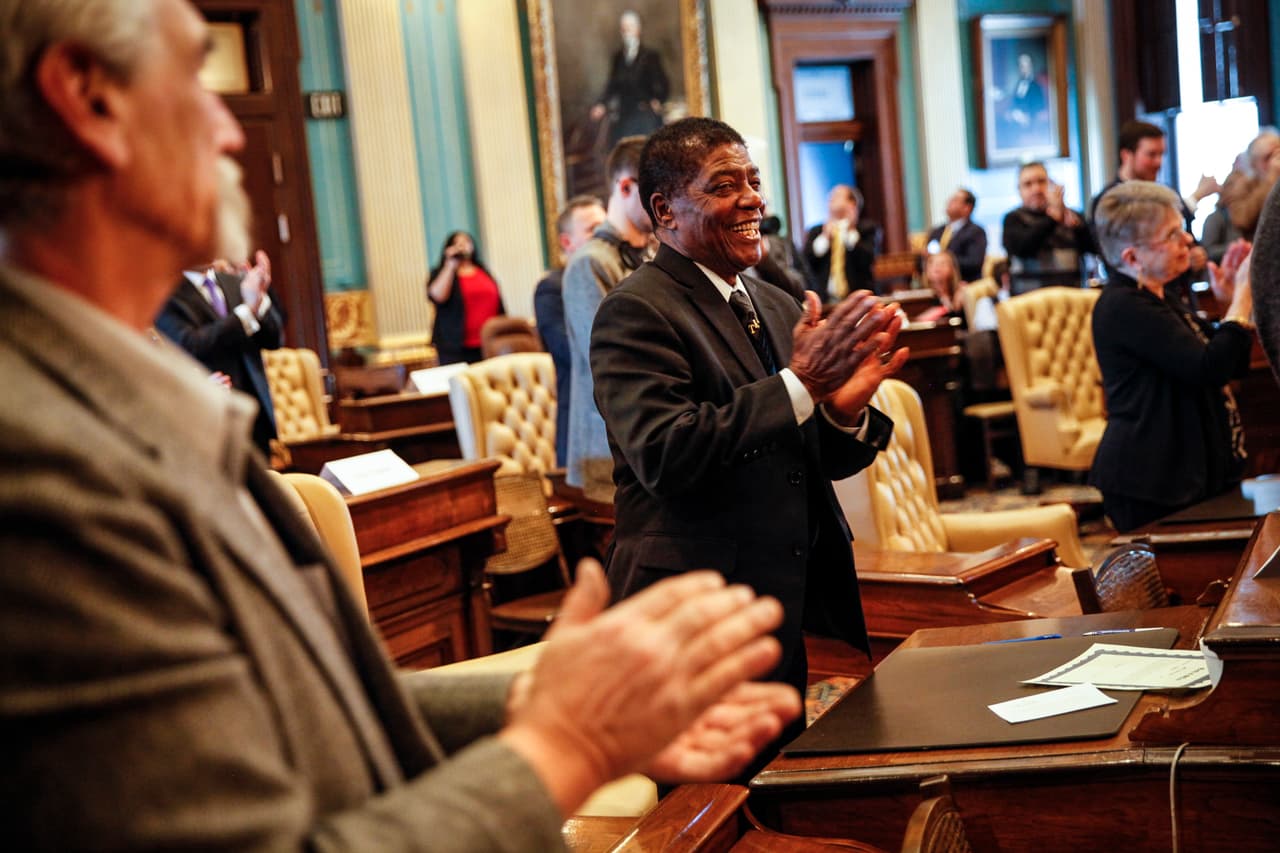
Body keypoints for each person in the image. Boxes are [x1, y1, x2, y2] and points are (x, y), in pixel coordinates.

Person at [0, 2, 804, 847]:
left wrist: (538, 695)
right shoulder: (39, 466)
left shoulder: (119, 391)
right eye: (193, 81)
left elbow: (303, 697)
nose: (227, 131)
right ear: (87, 100)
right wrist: (562, 746)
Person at [590, 117, 909, 776]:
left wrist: (842, 414)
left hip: (778, 605)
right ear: (665, 211)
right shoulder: (637, 311)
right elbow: (665, 452)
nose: (753, 200)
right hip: (691, 616)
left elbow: (799, 455)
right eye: (724, 186)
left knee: (777, 786)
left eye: (755, 183)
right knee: (713, 809)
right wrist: (801, 385)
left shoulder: (774, 297)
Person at [1090, 182, 1254, 533]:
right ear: (1132, 258)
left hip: (1181, 469)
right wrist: (1243, 296)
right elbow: (1206, 368)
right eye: (1172, 234)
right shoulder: (1124, 305)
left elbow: (1230, 365)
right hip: (1151, 478)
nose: (1188, 241)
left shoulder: (1160, 295)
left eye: (1183, 228)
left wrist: (1227, 305)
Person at [563, 136, 654, 501]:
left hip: (646, 437)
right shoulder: (590, 262)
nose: (665, 204)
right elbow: (610, 362)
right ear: (626, 187)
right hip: (608, 448)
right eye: (655, 192)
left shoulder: (650, 254)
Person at [156, 247, 282, 457]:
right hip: (210, 416)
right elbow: (191, 344)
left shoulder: (234, 282)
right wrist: (247, 311)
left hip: (255, 414)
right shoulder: (166, 292)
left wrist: (261, 299)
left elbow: (273, 339)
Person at [1088, 120, 1211, 287]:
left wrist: (1195, 257)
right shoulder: (1109, 202)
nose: (1159, 162)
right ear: (1126, 155)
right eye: (1151, 155)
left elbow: (1189, 243)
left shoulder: (1166, 196)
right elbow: (1113, 260)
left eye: (1161, 154)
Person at [533, 194, 607, 465]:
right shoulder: (551, 288)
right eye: (592, 230)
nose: (603, 237)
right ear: (567, 242)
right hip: (583, 422)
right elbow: (572, 351)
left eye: (605, 227)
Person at [1002, 161, 1094, 293]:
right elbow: (1023, 249)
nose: (1036, 189)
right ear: (1019, 190)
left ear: (1051, 184)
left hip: (1071, 301)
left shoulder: (1073, 216)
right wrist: (1052, 219)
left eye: (1041, 182)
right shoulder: (1013, 219)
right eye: (1028, 184)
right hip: (1027, 304)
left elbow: (1094, 249)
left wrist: (1078, 228)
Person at [589, 10, 669, 149]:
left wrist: (658, 100)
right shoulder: (618, 57)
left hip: (645, 114)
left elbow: (663, 84)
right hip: (625, 115)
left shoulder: (650, 56)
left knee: (647, 151)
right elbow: (612, 85)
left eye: (629, 28)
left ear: (638, 30)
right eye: (624, 29)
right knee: (620, 151)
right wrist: (601, 104)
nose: (626, 33)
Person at [426, 230, 504, 364]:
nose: (462, 246)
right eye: (457, 243)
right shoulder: (442, 272)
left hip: (488, 343)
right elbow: (437, 296)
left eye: (466, 242)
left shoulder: (483, 271)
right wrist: (450, 265)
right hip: (456, 348)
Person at [802, 184, 879, 300]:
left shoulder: (867, 229)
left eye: (837, 196)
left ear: (852, 203)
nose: (831, 199)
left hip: (858, 299)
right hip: (825, 300)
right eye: (830, 197)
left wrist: (849, 230)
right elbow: (807, 260)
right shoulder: (816, 231)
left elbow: (867, 258)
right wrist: (825, 237)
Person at [926, 188, 988, 282]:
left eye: (955, 200)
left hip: (965, 282)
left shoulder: (976, 232)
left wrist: (945, 262)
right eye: (950, 199)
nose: (949, 202)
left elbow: (974, 262)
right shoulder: (937, 231)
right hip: (935, 284)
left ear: (967, 208)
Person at [917, 251, 963, 324]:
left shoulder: (960, 291)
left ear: (952, 269)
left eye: (942, 263)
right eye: (932, 264)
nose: (937, 268)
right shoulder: (922, 298)